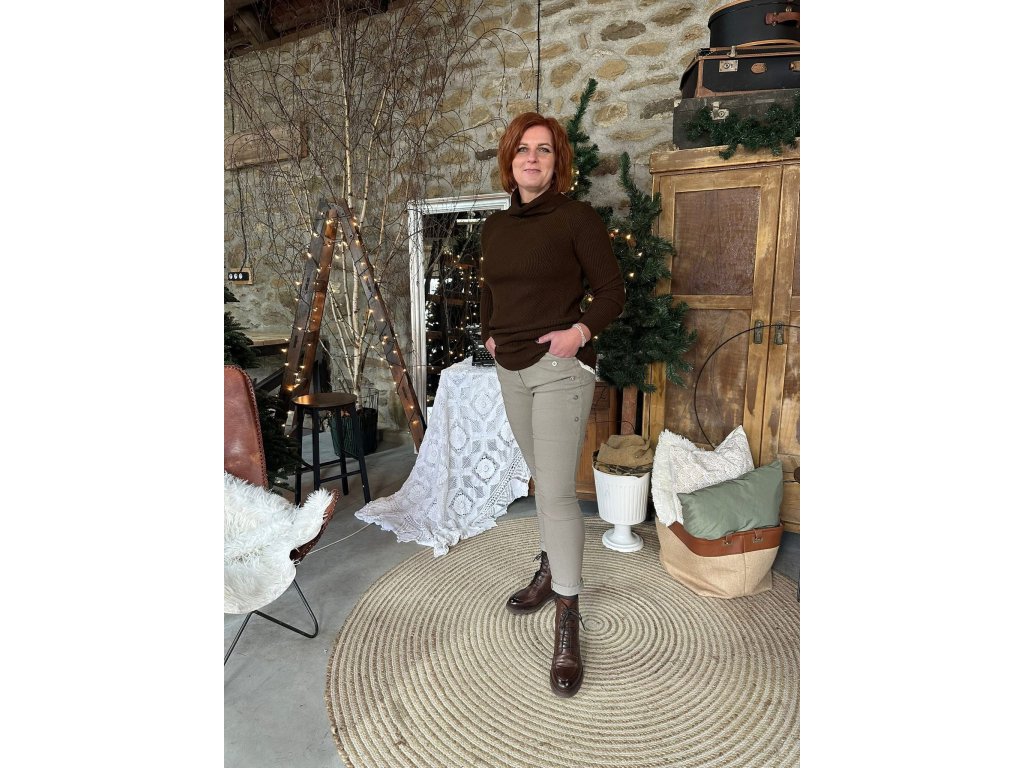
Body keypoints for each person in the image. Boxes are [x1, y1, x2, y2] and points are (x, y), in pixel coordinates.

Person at [479, 112, 625, 698]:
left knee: (560, 493)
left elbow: (612, 291)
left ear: (557, 161)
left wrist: (579, 333)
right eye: (522, 149)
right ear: (509, 160)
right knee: (543, 480)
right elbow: (489, 290)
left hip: (560, 367)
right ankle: (550, 567)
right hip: (510, 366)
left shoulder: (575, 218)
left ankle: (568, 616)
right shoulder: (494, 227)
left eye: (543, 150)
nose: (532, 158)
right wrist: (490, 334)